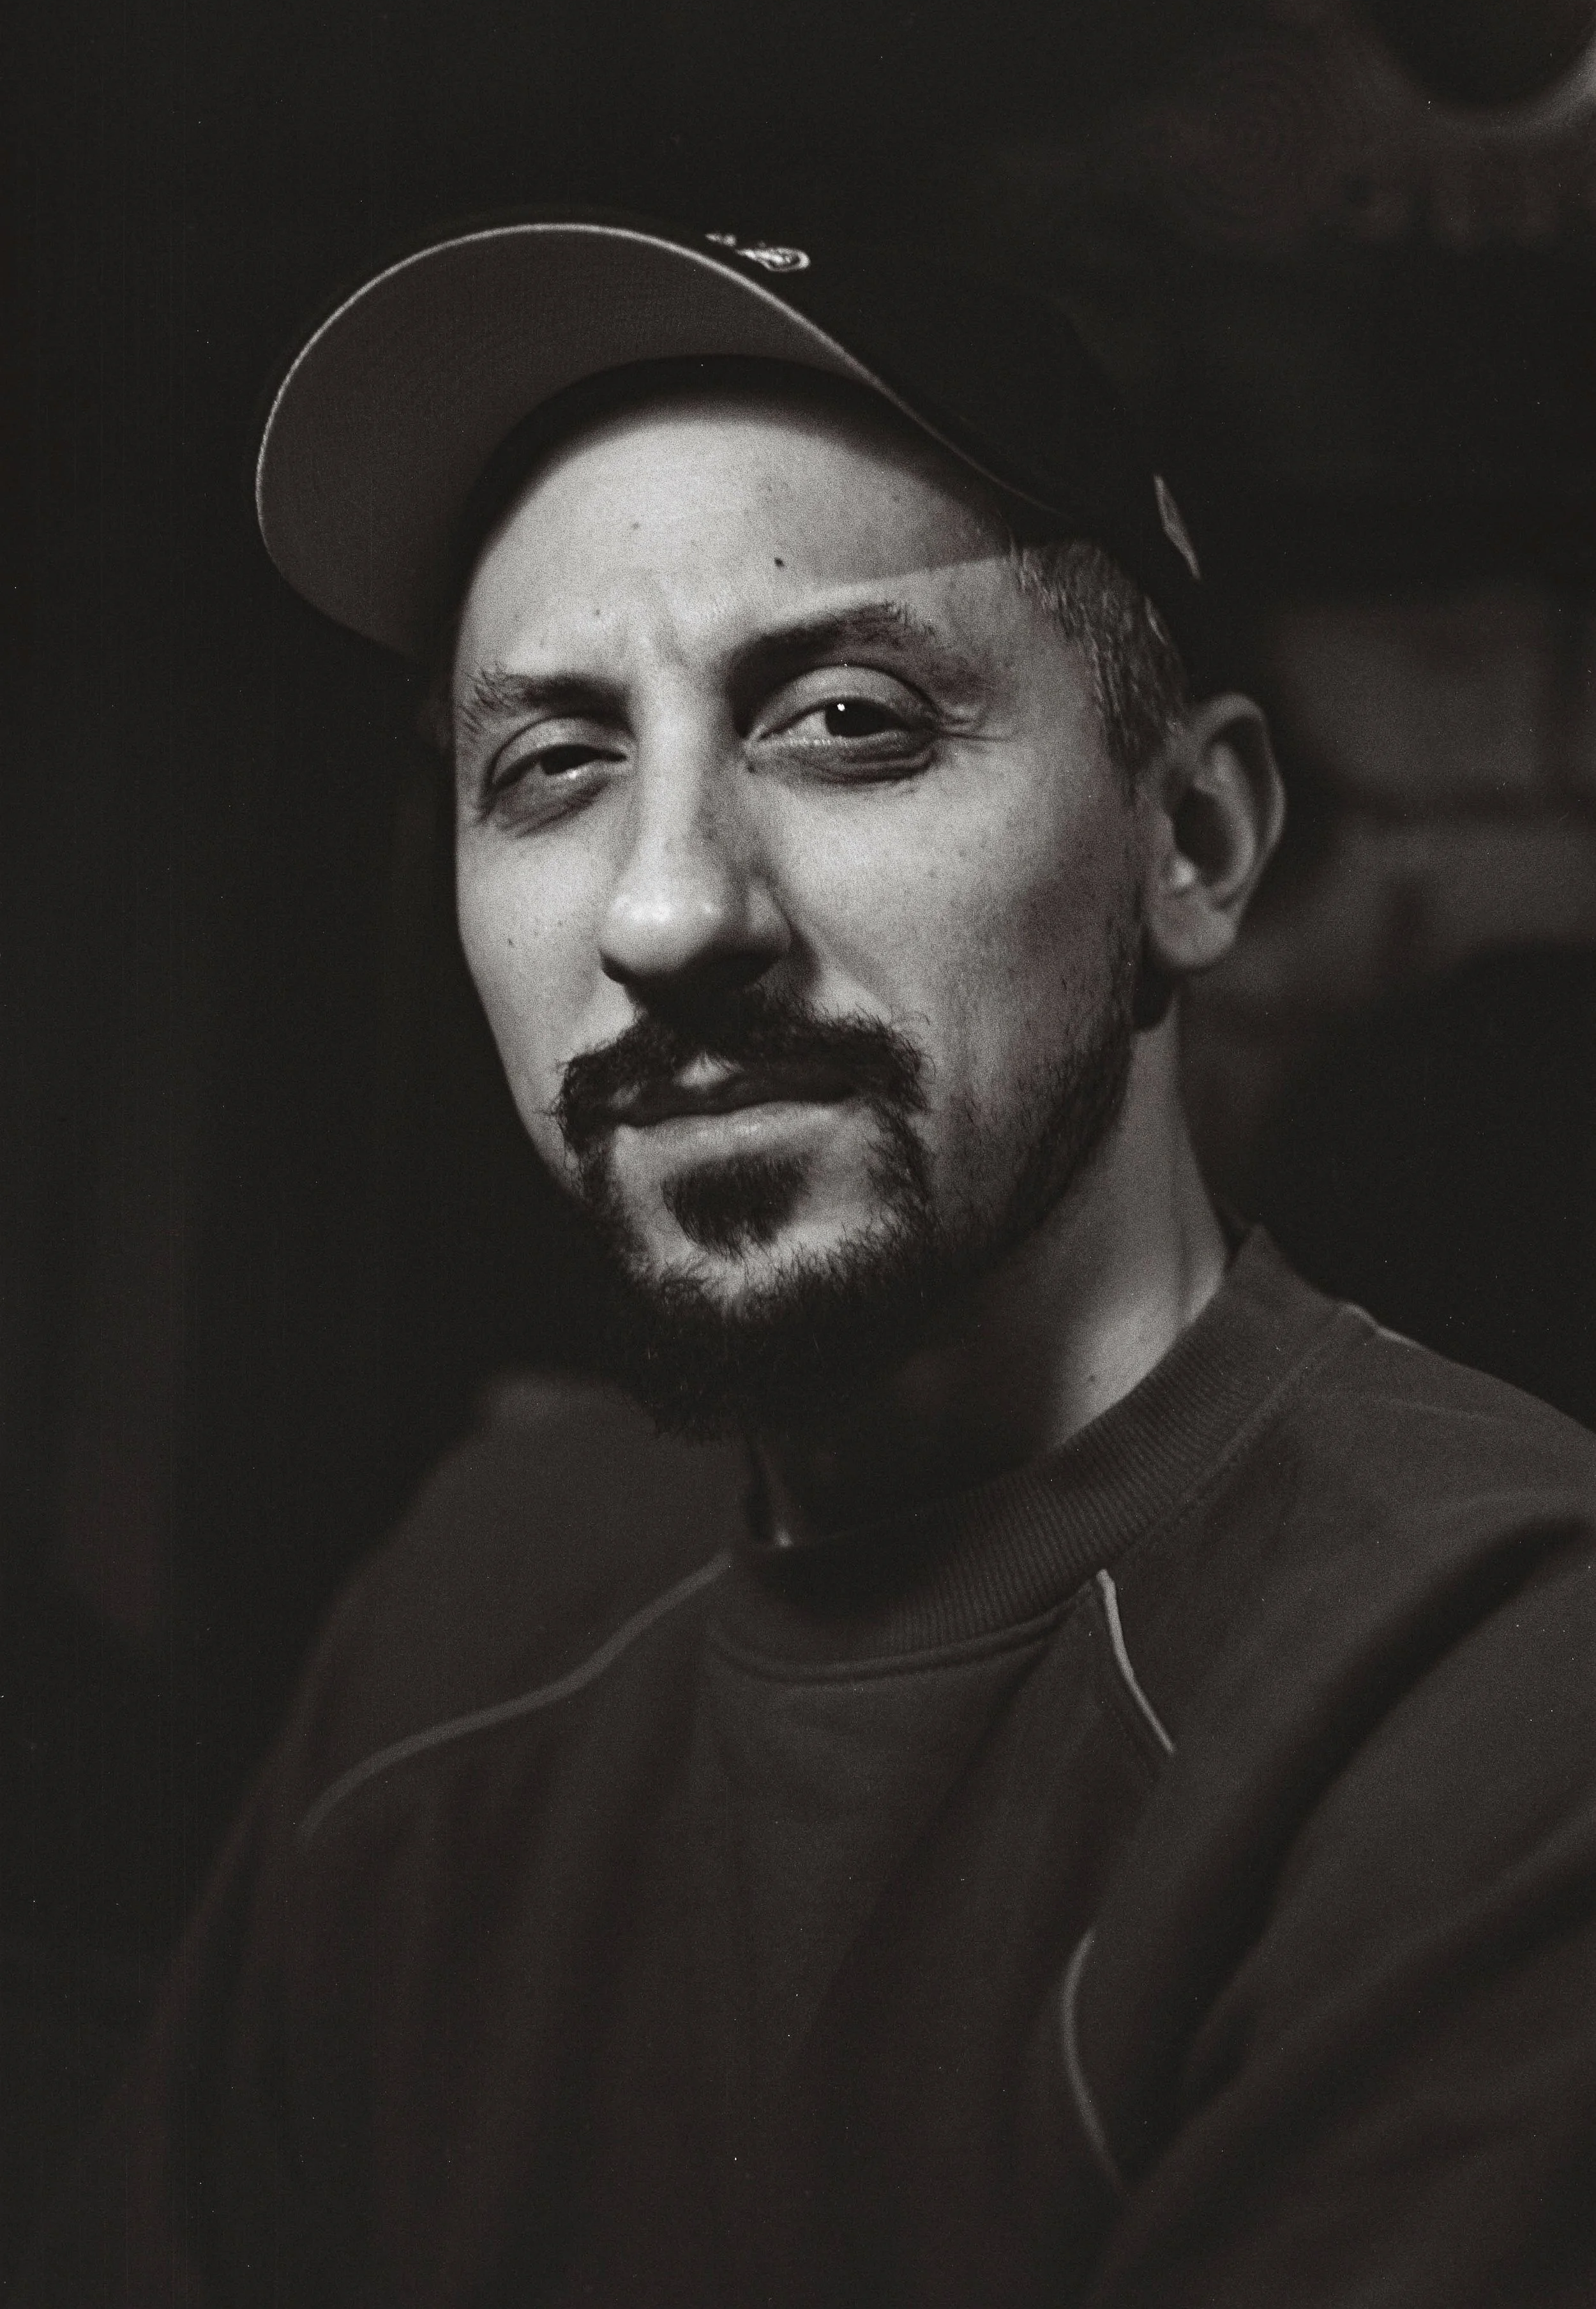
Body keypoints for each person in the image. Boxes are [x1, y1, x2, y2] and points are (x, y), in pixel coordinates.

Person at [21, 212, 1595, 2307]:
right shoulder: (474, 1592)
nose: (666, 915)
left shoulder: (1487, 1696)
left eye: (847, 718)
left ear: (1190, 845)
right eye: (552, 764)